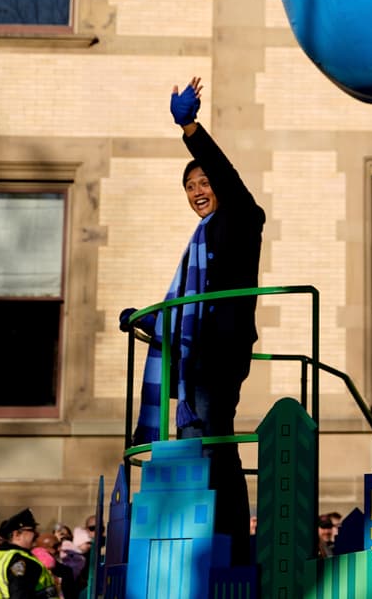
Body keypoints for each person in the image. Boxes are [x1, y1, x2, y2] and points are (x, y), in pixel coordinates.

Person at [119, 78, 266, 567]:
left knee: (213, 440)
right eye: (190, 186)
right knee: (200, 443)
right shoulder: (197, 242)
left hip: (220, 351)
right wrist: (145, 324)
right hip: (197, 354)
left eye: (204, 184)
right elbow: (183, 309)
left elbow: (226, 176)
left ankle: (227, 547)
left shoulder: (241, 218)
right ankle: (202, 544)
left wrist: (190, 127)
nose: (198, 192)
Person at [0, 509, 57, 599]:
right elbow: (19, 593)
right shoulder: (20, 560)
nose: (37, 534)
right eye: (32, 530)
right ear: (16, 534)